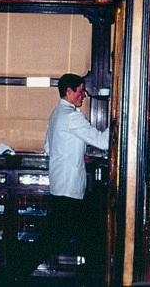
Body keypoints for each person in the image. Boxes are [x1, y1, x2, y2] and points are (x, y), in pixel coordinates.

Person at [43, 73, 109, 269]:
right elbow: (103, 142)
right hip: (70, 188)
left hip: (60, 185)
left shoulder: (56, 113)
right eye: (80, 91)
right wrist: (119, 119)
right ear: (69, 91)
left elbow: (49, 148)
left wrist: (78, 155)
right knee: (56, 239)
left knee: (78, 236)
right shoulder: (72, 116)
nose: (84, 95)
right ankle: (15, 273)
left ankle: (15, 273)